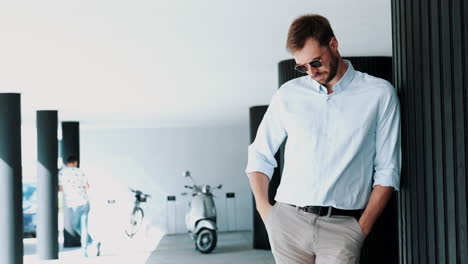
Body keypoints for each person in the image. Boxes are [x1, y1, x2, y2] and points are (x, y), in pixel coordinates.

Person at [246, 14, 401, 264]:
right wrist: (266, 212)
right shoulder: (289, 94)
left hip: (342, 229)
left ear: (333, 44)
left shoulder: (379, 94)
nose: (311, 72)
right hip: (287, 223)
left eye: (316, 62)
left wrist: (360, 231)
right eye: (303, 66)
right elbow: (259, 155)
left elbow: (388, 170)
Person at [59, 155, 101, 257]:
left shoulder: (62, 173)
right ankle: (89, 245)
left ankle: (87, 248)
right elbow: (87, 186)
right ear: (74, 162)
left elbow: (60, 188)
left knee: (76, 226)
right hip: (85, 202)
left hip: (74, 203)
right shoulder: (80, 171)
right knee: (84, 226)